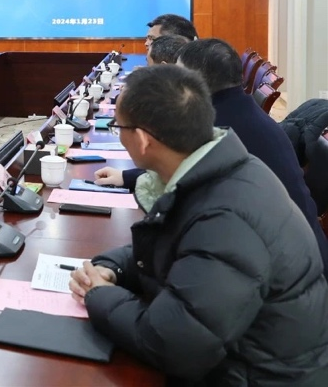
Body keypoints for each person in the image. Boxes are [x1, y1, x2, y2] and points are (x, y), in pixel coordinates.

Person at [70, 65, 328, 386]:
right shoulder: (221, 168)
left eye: (117, 127)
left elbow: (174, 346)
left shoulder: (225, 220)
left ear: (143, 140)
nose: (118, 135)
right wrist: (113, 268)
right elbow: (176, 245)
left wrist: (99, 295)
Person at [97, 38, 328, 276]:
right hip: (300, 256)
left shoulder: (218, 128)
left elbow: (180, 173)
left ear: (193, 83)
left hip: (285, 270)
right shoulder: (240, 110)